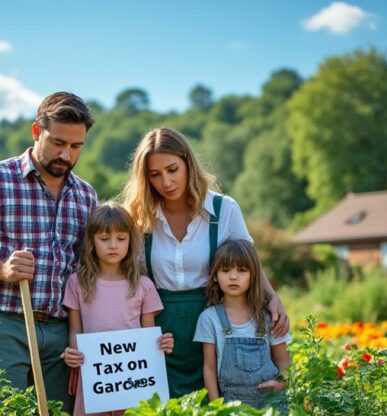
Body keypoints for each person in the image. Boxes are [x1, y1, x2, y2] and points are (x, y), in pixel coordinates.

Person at [0, 92, 96, 414]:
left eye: (76, 146)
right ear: (37, 132)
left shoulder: (85, 195)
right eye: (58, 143)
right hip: (4, 322)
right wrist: (2, 270)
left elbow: (86, 268)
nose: (66, 154)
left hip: (61, 330)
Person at [120, 127, 288, 398]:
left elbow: (250, 261)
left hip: (215, 320)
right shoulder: (140, 218)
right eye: (155, 175)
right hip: (158, 328)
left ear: (188, 163)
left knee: (216, 406)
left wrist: (272, 297)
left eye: (173, 169)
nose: (166, 182)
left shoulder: (224, 209)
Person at [60, 203, 174, 416]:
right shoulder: (77, 283)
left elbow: (149, 335)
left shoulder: (143, 285)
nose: (113, 245)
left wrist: (161, 344)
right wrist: (73, 355)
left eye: (121, 238)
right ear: (92, 241)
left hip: (133, 386)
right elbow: (75, 330)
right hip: (94, 381)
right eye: (105, 238)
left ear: (131, 241)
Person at [194, 239, 291, 408]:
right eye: (225, 270)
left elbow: (284, 361)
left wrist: (281, 384)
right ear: (215, 276)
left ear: (254, 276)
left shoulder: (268, 317)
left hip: (273, 406)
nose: (233, 276)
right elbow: (209, 368)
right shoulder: (209, 318)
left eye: (242, 270)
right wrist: (216, 408)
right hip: (232, 409)